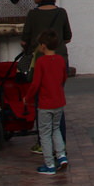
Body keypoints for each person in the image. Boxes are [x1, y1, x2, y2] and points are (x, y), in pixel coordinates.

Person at [22, 0, 72, 151]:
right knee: (57, 100)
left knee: (41, 102)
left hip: (40, 62)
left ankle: (44, 143)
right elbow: (67, 37)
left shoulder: (33, 15)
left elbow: (24, 40)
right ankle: (60, 142)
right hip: (60, 60)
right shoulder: (61, 13)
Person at [24, 30, 69, 175]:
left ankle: (49, 164)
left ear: (43, 46)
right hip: (59, 101)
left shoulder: (41, 62)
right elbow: (63, 78)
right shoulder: (61, 60)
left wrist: (28, 98)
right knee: (56, 129)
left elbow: (36, 84)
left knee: (44, 133)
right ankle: (61, 156)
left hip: (45, 103)